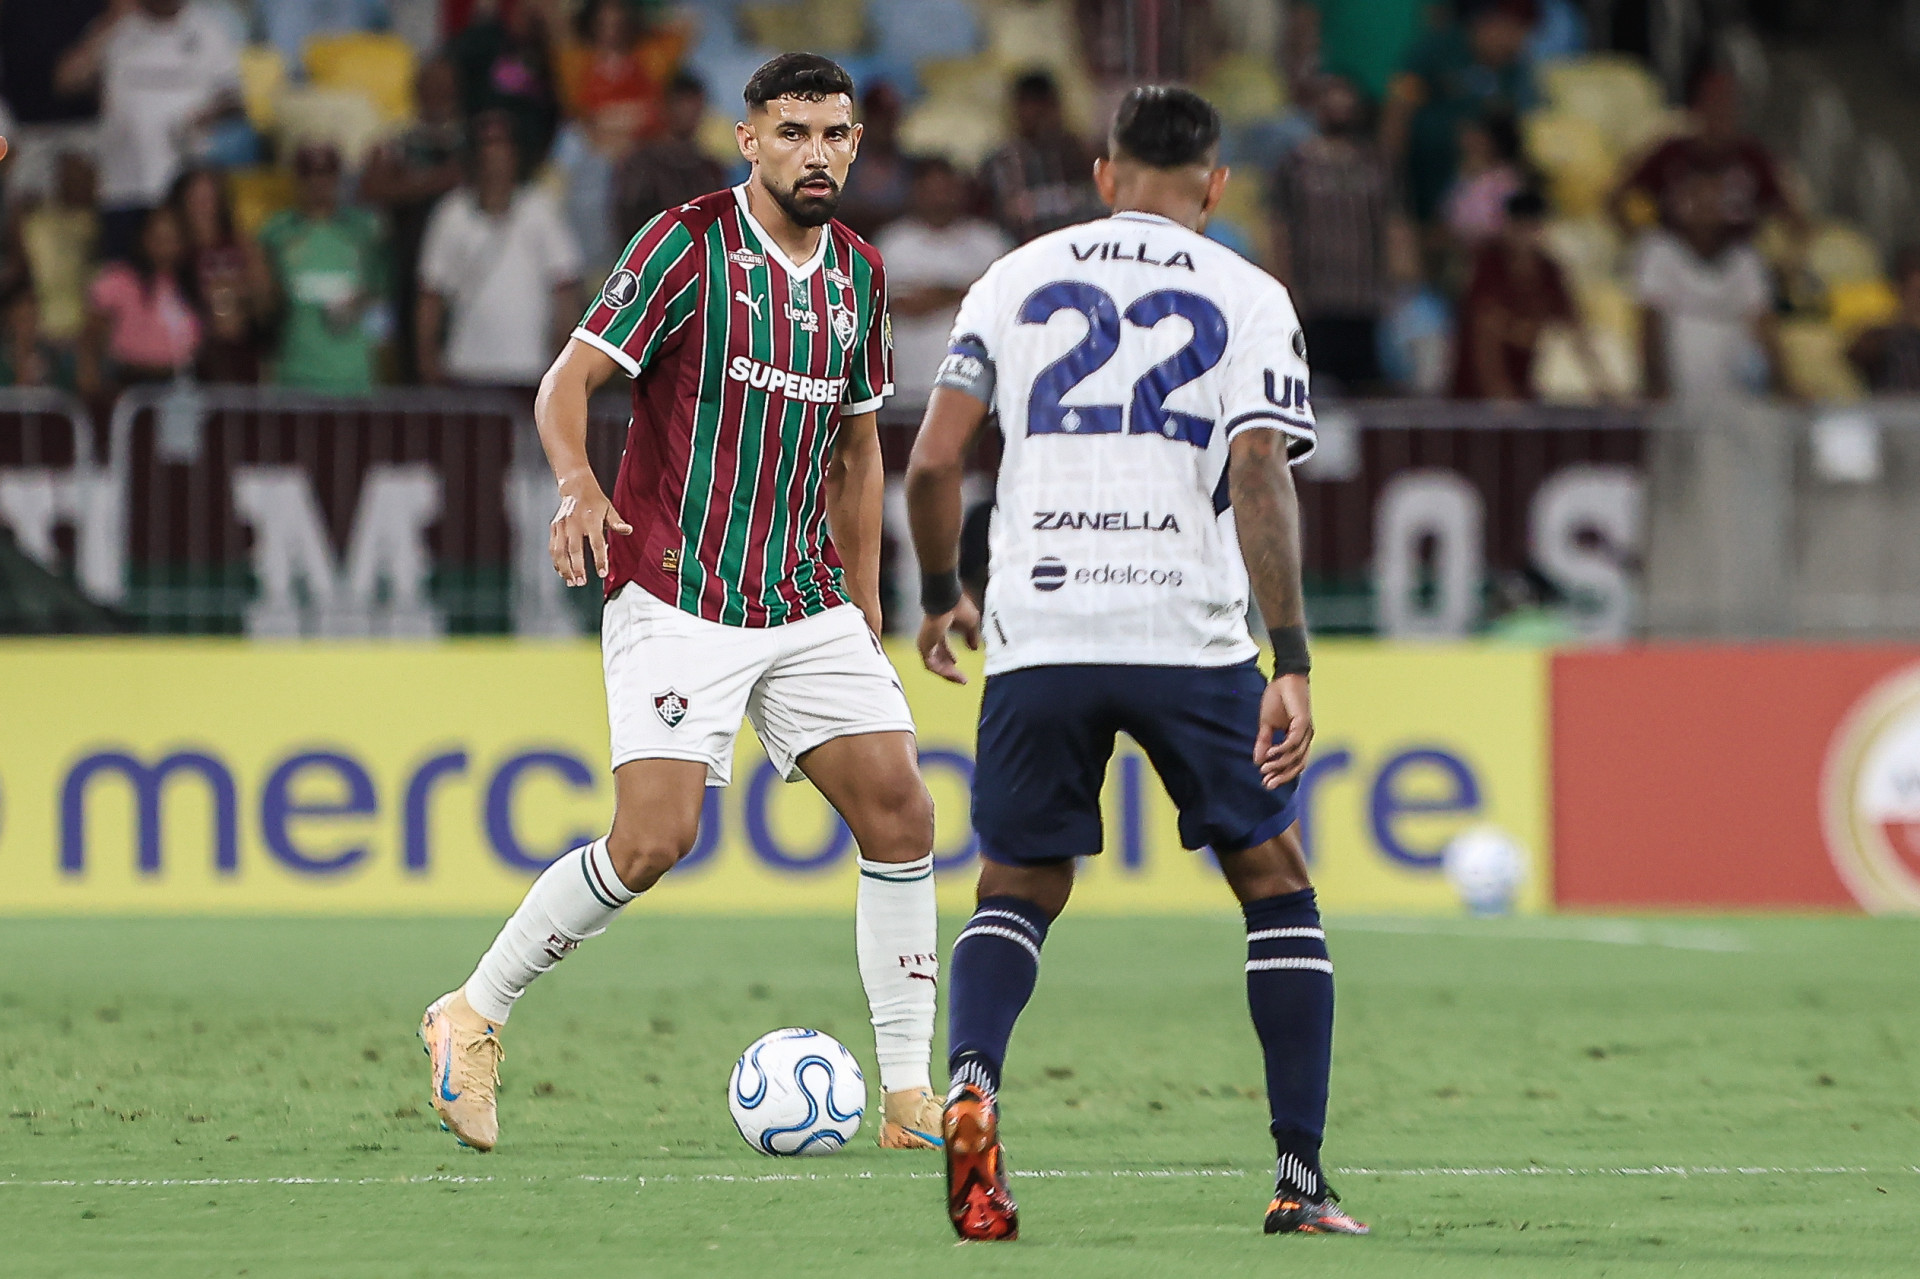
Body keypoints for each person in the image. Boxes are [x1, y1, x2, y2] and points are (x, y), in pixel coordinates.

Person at [418, 54, 947, 1159]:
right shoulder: (686, 243)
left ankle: (906, 1096)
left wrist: (863, 608)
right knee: (654, 840)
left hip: (804, 599)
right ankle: (470, 1013)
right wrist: (577, 484)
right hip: (680, 590)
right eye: (794, 131)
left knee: (901, 813)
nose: (818, 152)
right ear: (748, 139)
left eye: (837, 134)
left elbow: (857, 452)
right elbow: (565, 381)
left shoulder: (860, 273)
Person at [905, 85, 1368, 1242]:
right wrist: (1293, 654)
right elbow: (1260, 474)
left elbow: (929, 466)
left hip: (1039, 631)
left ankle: (970, 1078)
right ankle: (1300, 1178)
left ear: (1104, 175)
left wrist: (935, 594)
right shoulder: (1250, 294)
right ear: (1216, 185)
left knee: (1016, 886)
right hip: (1188, 631)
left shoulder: (1010, 279)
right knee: (1275, 885)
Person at [53, 0, 244, 262]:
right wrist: (110, 21)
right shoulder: (117, 29)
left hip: (183, 189)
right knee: (125, 281)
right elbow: (67, 81)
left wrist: (205, 117)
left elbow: (235, 99)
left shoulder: (208, 29)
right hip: (123, 186)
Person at [416, 113, 581, 390]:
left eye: (501, 147)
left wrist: (563, 362)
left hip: (531, 370)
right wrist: (427, 360)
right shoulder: (451, 213)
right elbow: (431, 293)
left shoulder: (540, 209)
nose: (494, 157)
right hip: (464, 368)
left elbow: (565, 290)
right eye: (487, 147)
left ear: (516, 155)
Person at [1267, 74, 1406, 394]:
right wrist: (1286, 285)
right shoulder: (1295, 165)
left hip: (1366, 300)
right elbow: (1281, 226)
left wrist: (1398, 282)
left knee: (1367, 390)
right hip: (1315, 300)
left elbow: (1393, 223)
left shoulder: (1376, 165)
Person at [1610, 62, 1801, 248]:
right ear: (1697, 108)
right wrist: (1633, 236)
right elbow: (1618, 195)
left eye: (1728, 104)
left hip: (1732, 260)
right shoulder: (1671, 153)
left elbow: (1792, 215)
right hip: (1677, 255)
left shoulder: (1751, 158)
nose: (1720, 113)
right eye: (1714, 103)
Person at [1381, 0, 1537, 226]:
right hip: (1422, 169)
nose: (1515, 42)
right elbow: (1397, 110)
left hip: (1479, 187)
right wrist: (1387, 177)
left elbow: (1515, 127)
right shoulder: (1436, 49)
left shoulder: (1513, 68)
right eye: (1510, 30)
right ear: (1486, 21)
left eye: (1523, 34)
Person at [875, 157, 1011, 413]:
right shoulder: (893, 244)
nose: (940, 198)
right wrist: (970, 289)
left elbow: (1005, 307)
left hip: (980, 392)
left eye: (947, 189)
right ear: (916, 192)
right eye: (931, 190)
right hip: (910, 390)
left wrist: (936, 291)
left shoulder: (989, 241)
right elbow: (908, 306)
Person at [361, 57, 467, 384]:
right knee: (410, 360)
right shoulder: (398, 142)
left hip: (463, 267)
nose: (437, 96)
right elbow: (372, 189)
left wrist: (412, 183)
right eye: (430, 88)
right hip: (409, 263)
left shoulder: (468, 143)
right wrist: (433, 183)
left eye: (444, 89)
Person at [1633, 170, 1782, 402]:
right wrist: (1655, 384)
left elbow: (1762, 322)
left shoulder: (1746, 259)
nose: (1706, 211)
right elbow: (1650, 322)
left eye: (1714, 203)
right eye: (1698, 202)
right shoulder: (1659, 251)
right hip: (1679, 363)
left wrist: (1783, 382)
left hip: (1734, 366)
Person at [254, 143, 386, 394]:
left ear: (337, 178)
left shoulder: (364, 231)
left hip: (353, 377)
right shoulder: (275, 232)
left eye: (326, 173)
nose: (317, 182)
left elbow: (380, 297)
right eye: (308, 173)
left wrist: (359, 305)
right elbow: (265, 309)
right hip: (295, 375)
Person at [1450, 188, 1606, 400]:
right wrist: (1499, 393)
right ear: (1507, 226)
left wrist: (1606, 388)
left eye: (1532, 227)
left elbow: (1577, 332)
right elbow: (1484, 337)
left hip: (1521, 391)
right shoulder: (1489, 265)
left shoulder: (1549, 271)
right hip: (1474, 396)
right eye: (1519, 227)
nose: (1525, 236)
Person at [77, 203, 200, 402]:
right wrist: (92, 387)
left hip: (181, 385)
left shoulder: (189, 285)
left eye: (172, 239)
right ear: (144, 238)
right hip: (130, 385)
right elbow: (90, 337)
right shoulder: (119, 279)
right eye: (158, 238)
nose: (165, 246)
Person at [979, 69, 1104, 244]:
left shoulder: (1080, 153)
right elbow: (1002, 215)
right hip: (1021, 251)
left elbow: (1099, 202)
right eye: (1027, 105)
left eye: (1041, 105)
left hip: (1079, 249)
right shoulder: (1001, 161)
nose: (1034, 113)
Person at [611, 71, 727, 242]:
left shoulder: (710, 168)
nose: (689, 113)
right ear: (665, 106)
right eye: (681, 104)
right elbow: (628, 222)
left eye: (694, 104)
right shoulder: (640, 164)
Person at [17, 153, 102, 389]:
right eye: (67, 174)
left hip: (87, 332)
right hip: (41, 327)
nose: (73, 180)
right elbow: (21, 268)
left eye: (80, 174)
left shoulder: (99, 224)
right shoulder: (37, 219)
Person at [171, 167, 259, 384]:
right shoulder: (178, 249)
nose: (203, 206)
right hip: (196, 351)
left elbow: (261, 286)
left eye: (209, 198)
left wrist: (237, 291)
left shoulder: (238, 241)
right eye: (195, 198)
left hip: (243, 346)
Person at [835, 83, 912, 239]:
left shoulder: (911, 167)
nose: (884, 125)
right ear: (867, 118)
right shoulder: (842, 162)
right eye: (879, 117)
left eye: (890, 117)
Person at [1848, 249, 1920, 393]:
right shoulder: (1880, 336)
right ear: (1900, 291)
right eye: (1916, 294)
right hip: (1892, 409)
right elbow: (1856, 356)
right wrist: (1906, 322)